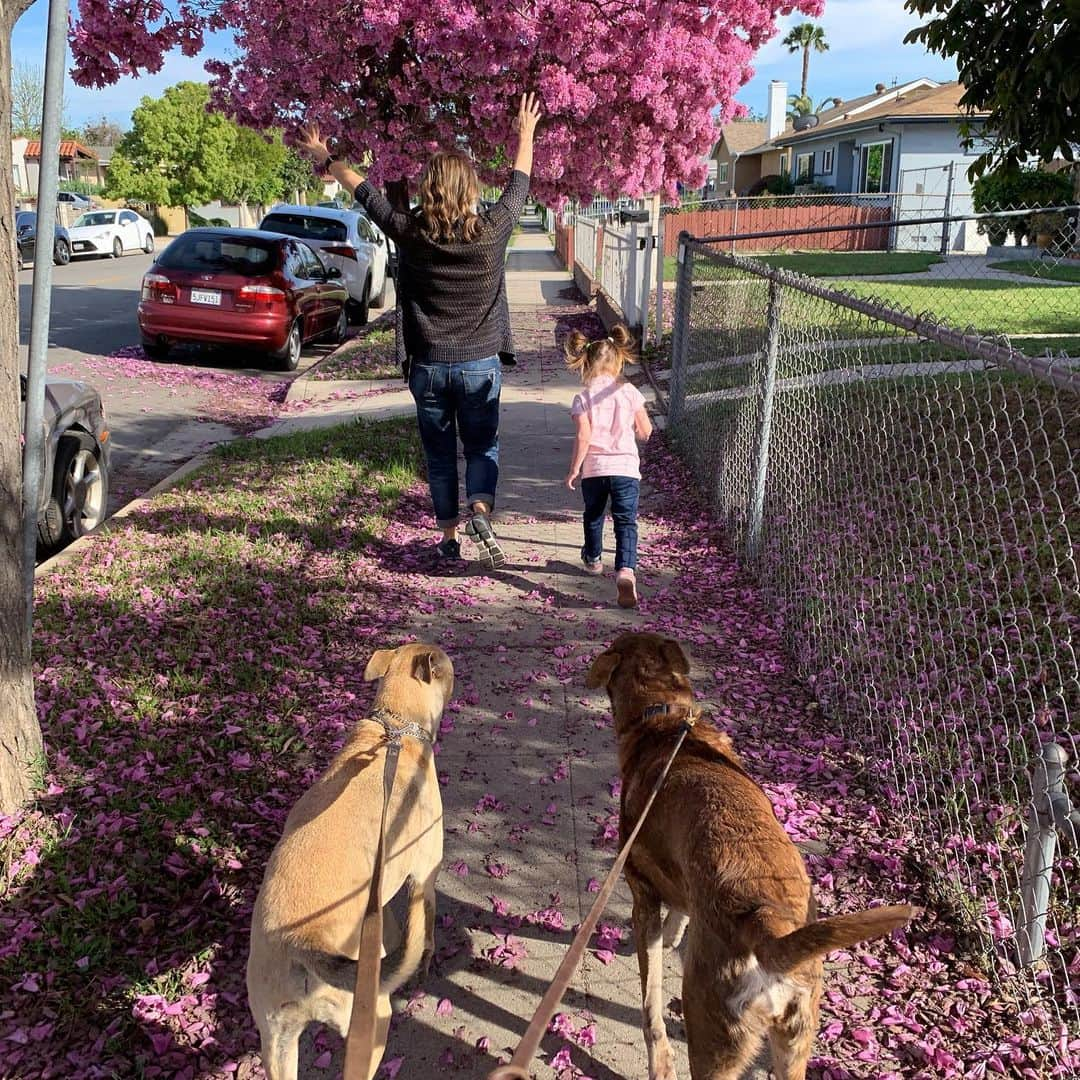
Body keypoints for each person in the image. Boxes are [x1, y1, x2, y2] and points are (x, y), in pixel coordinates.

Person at [297, 93, 543, 568]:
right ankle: (480, 508)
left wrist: (324, 156)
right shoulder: (493, 230)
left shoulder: (409, 231)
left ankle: (449, 538)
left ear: (428, 189)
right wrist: (525, 131)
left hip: (429, 364)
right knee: (481, 445)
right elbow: (519, 183)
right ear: (470, 189)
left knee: (437, 455)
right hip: (480, 365)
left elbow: (363, 191)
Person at [563, 325, 653, 609]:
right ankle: (626, 570)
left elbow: (584, 436)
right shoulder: (629, 391)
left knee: (593, 515)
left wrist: (574, 468)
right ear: (619, 361)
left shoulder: (583, 397)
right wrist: (637, 433)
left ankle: (593, 559)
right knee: (626, 521)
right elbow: (646, 430)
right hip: (626, 468)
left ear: (586, 363)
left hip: (595, 470)